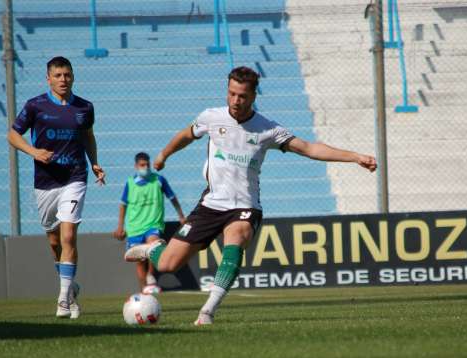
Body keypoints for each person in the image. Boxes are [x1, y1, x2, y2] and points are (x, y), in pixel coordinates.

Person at [124, 66, 377, 325]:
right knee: (167, 265)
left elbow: (309, 148)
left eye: (242, 96)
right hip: (211, 204)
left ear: (253, 96)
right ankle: (154, 249)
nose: (235, 100)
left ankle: (207, 311)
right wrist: (164, 155)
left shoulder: (267, 129)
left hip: (245, 206)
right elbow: (186, 135)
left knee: (237, 236)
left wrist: (355, 157)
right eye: (231, 94)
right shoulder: (211, 117)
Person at [7, 56, 105, 318]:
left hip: (75, 177)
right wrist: (33, 152)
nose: (64, 80)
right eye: (58, 75)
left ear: (73, 77)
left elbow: (88, 136)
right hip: (45, 183)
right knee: (54, 242)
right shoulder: (35, 106)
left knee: (69, 235)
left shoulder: (85, 107)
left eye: (68, 75)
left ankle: (62, 300)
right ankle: (71, 288)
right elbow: (13, 134)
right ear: (48, 78)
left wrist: (94, 163)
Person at [113, 152, 185, 294]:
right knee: (139, 261)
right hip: (134, 227)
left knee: (154, 247)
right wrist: (120, 226)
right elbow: (123, 204)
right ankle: (144, 290)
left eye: (147, 164)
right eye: (142, 165)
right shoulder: (129, 183)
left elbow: (172, 197)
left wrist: (181, 215)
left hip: (153, 224)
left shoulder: (159, 180)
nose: (145, 167)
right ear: (136, 166)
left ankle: (151, 276)